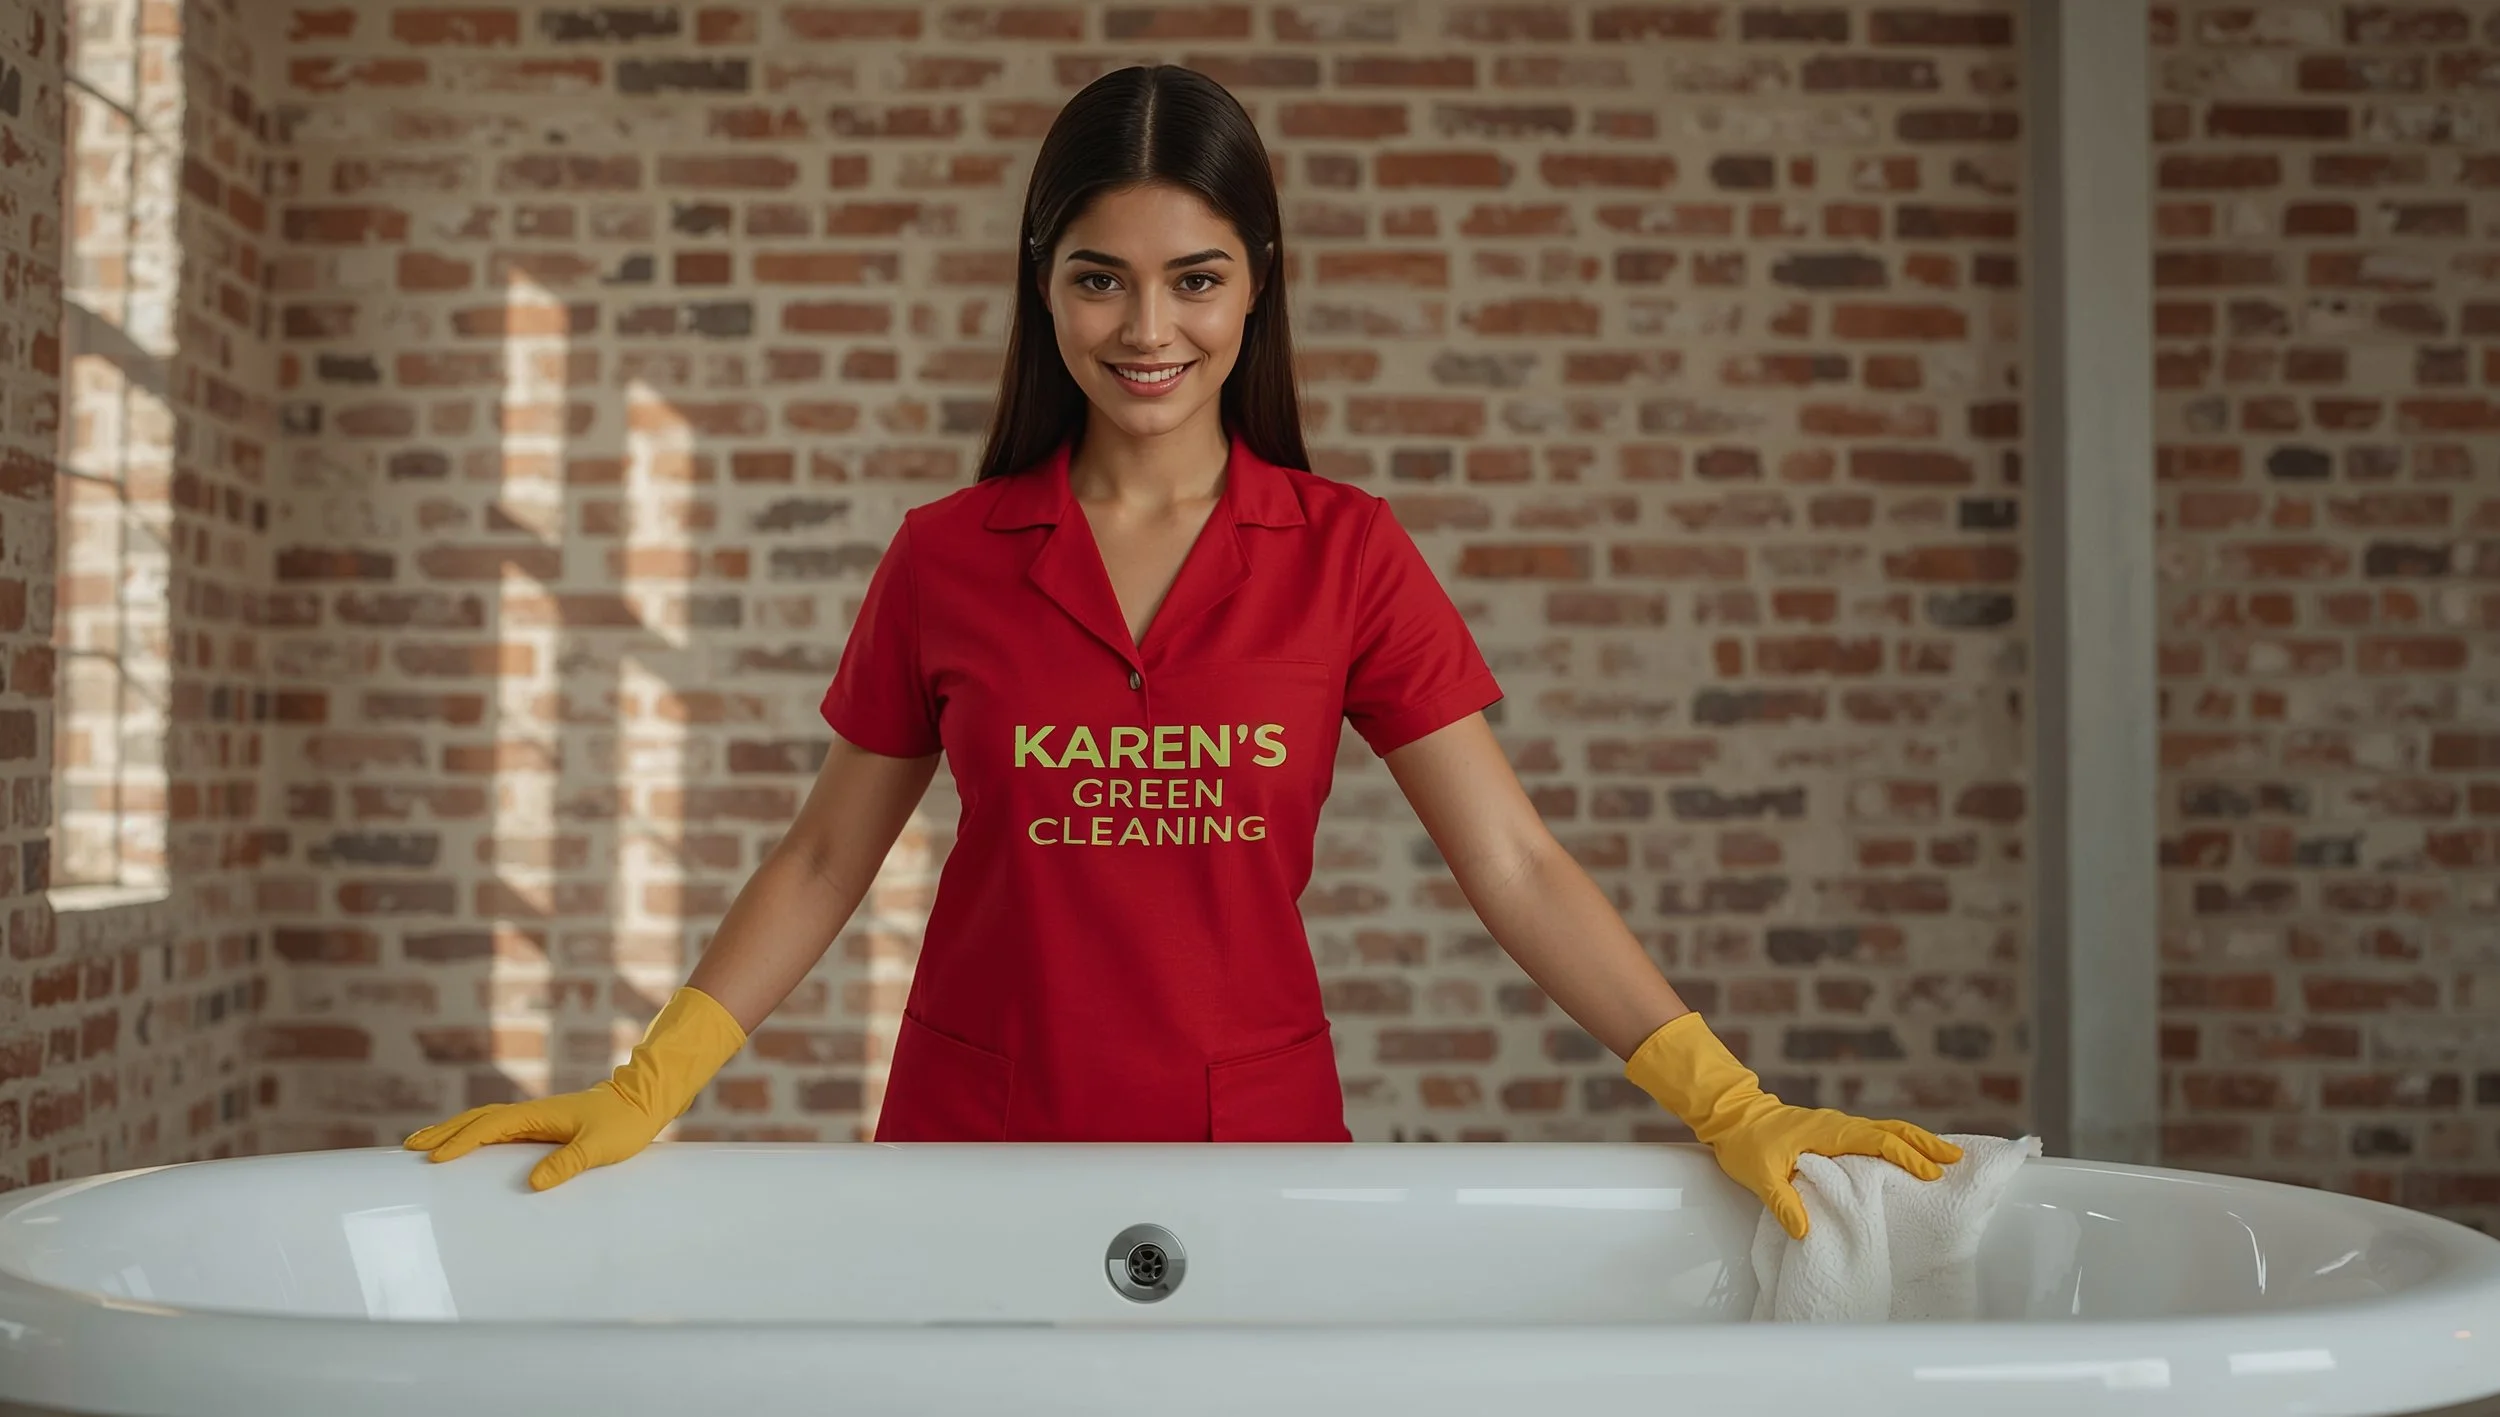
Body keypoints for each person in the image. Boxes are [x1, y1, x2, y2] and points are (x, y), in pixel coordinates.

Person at [406, 64, 1960, 1239]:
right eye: (1101, 277)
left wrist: (1724, 1098)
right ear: (1045, 288)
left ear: (1257, 283)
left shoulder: (1347, 553)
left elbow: (1517, 861)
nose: (1148, 327)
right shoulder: (946, 556)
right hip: (972, 1139)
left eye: (1195, 278)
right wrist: (648, 1083)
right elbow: (825, 861)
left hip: (1255, 1145)